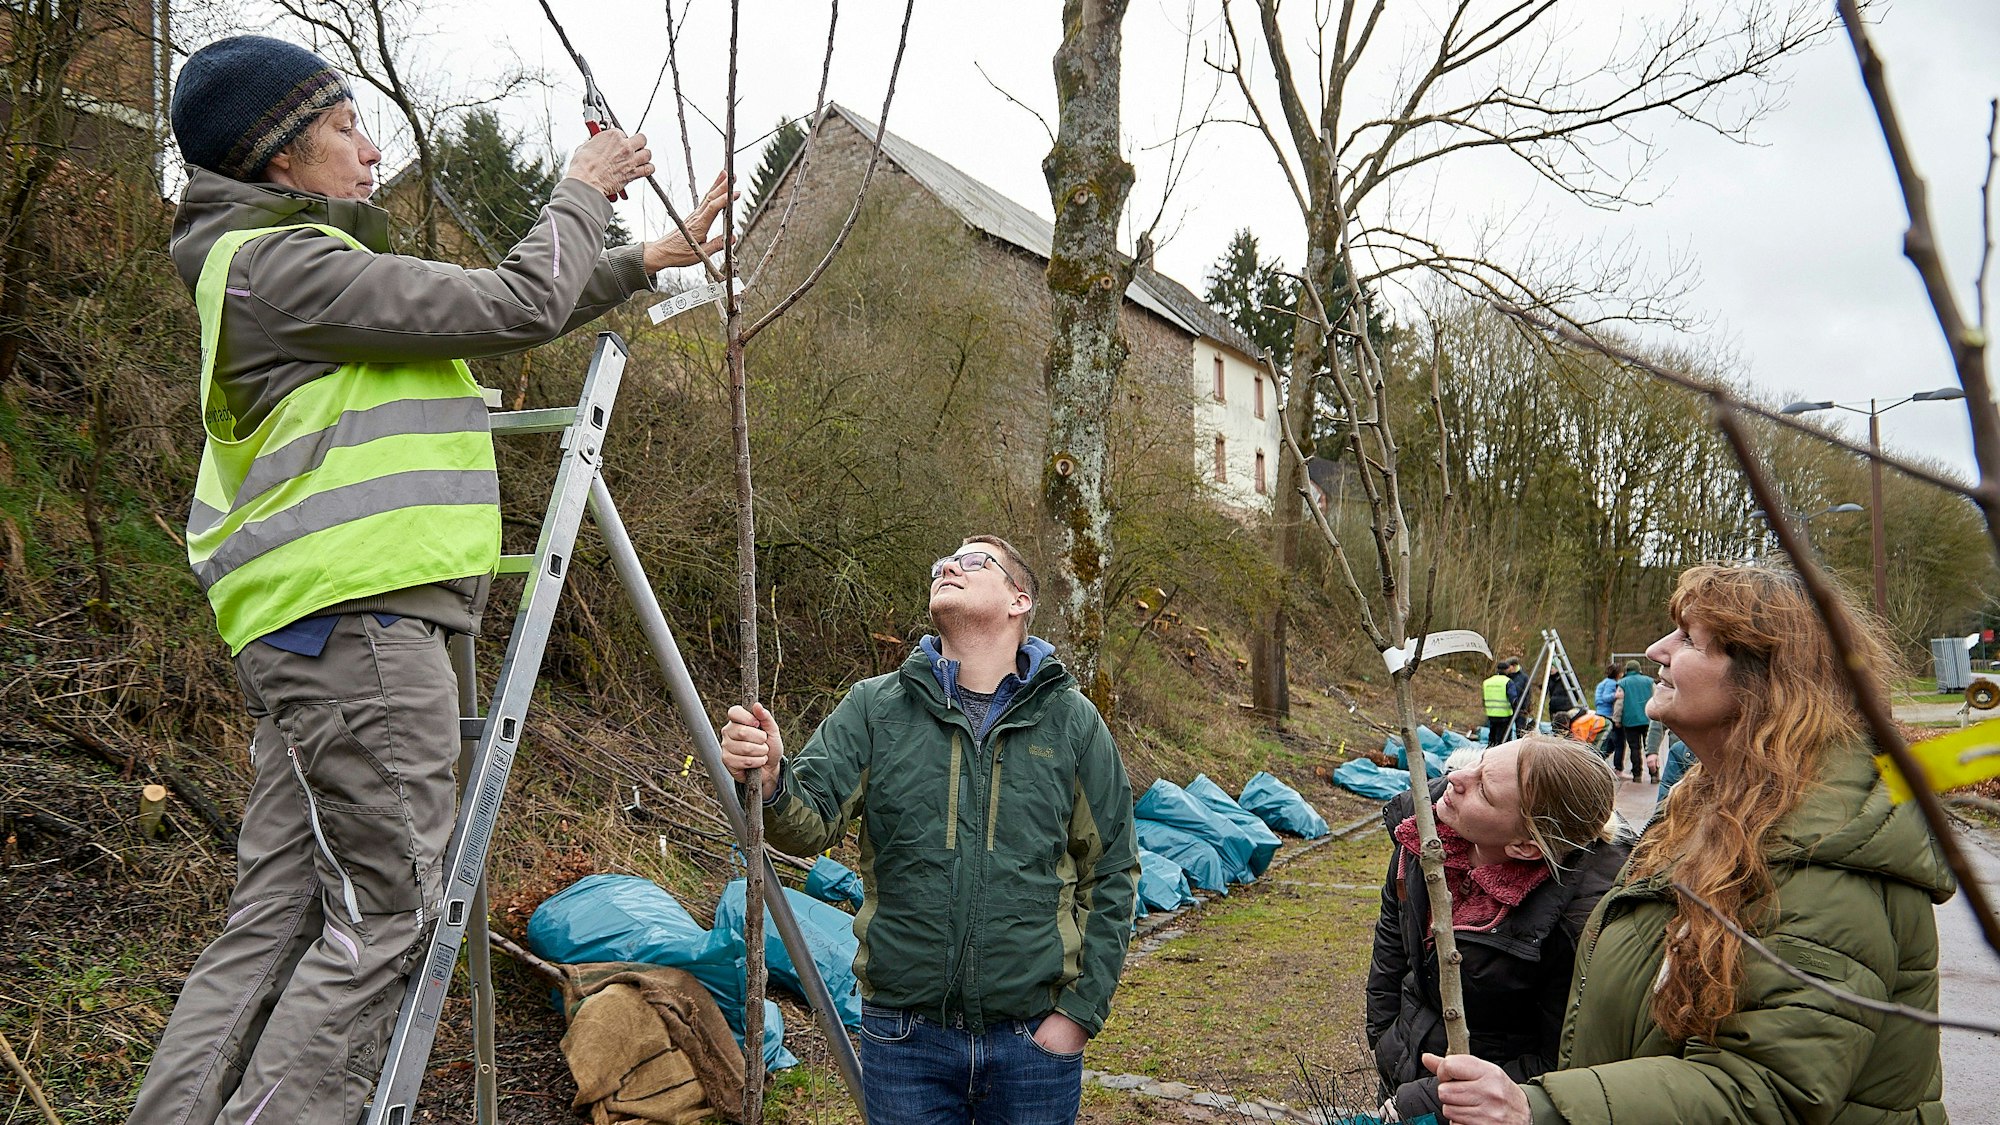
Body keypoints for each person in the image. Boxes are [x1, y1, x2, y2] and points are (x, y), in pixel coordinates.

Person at [132, 36, 731, 1125]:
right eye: (344, 129)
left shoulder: (276, 268)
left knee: (276, 910)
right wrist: (581, 193)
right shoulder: (284, 265)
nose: (370, 149)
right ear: (278, 159)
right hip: (360, 623)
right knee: (388, 913)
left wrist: (640, 263)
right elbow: (507, 304)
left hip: (311, 630)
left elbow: (476, 302)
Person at [1428, 563, 1955, 1125]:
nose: (1657, 649)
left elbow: (1766, 1087)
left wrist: (1540, 1109)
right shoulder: (1713, 807)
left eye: (1688, 639)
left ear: (1764, 681)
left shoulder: (1819, 854)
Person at [720, 536, 1140, 1125]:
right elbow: (806, 823)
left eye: (974, 561)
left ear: (1020, 600)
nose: (948, 565)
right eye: (944, 561)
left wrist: (1077, 1016)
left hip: (1034, 1044)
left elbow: (1113, 871)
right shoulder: (876, 708)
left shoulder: (1072, 722)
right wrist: (769, 782)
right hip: (905, 1041)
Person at [1367, 736, 1629, 1123]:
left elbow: (1563, 1060)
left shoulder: (1583, 924)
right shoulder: (1422, 832)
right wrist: (1386, 1037)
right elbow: (1392, 939)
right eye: (1480, 762)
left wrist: (1433, 1101)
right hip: (1403, 1064)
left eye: (1484, 791)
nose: (1457, 777)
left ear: (1524, 847)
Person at [1610, 659, 1654, 782]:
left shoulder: (1622, 683)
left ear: (1627, 670)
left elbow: (1619, 703)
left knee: (1635, 748)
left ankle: (1637, 774)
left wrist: (1617, 719)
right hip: (1648, 719)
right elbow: (1656, 700)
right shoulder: (1649, 681)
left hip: (1630, 721)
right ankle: (1654, 773)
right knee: (1650, 746)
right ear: (1639, 669)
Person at [1482, 660, 1514, 748]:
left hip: (1491, 714)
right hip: (1505, 715)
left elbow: (1484, 699)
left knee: (1492, 738)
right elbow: (1513, 699)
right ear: (1507, 670)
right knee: (1503, 740)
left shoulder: (1487, 682)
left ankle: (1490, 752)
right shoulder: (1508, 682)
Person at [1505, 658, 1530, 733]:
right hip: (1507, 709)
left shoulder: (1524, 677)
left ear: (1514, 666)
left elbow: (1527, 694)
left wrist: (1525, 708)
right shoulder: (1506, 677)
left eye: (1508, 666)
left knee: (1520, 731)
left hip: (1520, 709)